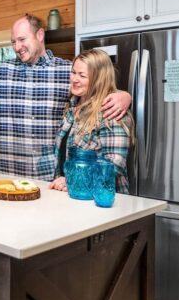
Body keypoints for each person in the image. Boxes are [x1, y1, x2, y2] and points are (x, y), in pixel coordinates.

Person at [0, 14, 131, 179]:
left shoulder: (68, 71)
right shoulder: (1, 72)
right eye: (13, 42)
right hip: (8, 173)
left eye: (22, 39)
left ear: (40, 35)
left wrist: (125, 96)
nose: (17, 47)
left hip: (50, 178)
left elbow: (98, 90)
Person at [49, 49, 133, 193]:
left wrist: (71, 179)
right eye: (73, 72)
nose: (74, 79)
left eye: (82, 75)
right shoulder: (72, 107)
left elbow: (114, 165)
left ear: (98, 80)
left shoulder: (111, 111)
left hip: (102, 202)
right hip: (75, 197)